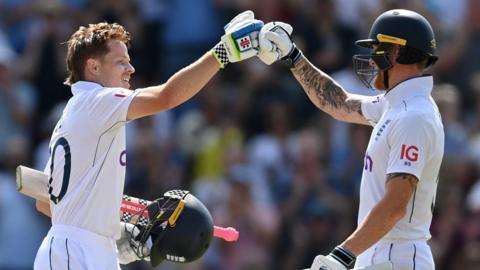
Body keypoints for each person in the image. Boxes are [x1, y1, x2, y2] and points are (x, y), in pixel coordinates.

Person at [32, 10, 263, 269]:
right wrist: (225, 52)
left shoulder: (78, 112)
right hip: (75, 251)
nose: (130, 69)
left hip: (87, 248)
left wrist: (116, 231)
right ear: (93, 67)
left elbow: (45, 202)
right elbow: (167, 96)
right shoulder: (97, 102)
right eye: (120, 62)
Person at [257, 9, 444, 270]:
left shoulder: (414, 116)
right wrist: (293, 56)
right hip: (381, 254)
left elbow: (395, 205)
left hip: (398, 257)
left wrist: (340, 256)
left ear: (396, 52)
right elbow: (339, 103)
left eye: (377, 49)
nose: (371, 60)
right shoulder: (397, 106)